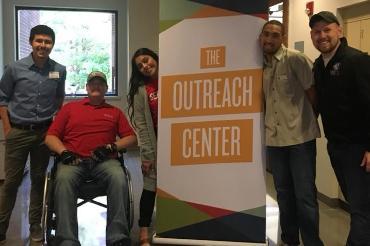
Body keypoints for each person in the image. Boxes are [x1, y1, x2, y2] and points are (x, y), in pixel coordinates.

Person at [45, 71, 137, 246]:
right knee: (63, 179)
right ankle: (67, 240)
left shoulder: (115, 112)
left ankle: (117, 237)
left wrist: (111, 147)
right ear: (86, 88)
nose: (96, 86)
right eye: (92, 83)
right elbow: (50, 137)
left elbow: (131, 138)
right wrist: (64, 152)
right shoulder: (70, 109)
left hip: (104, 161)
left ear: (106, 89)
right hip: (73, 161)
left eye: (100, 84)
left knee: (118, 178)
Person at [0, 24, 66, 243]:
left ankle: (35, 226)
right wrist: (8, 130)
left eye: (47, 42)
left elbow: (59, 98)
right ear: (31, 42)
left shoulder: (59, 69)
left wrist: (54, 124)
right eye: (39, 41)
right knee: (11, 183)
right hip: (17, 132)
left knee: (39, 180)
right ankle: (1, 227)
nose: (43, 45)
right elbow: (2, 99)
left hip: (44, 134)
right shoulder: (14, 68)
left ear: (52, 45)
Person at [260, 20, 323, 246]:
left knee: (305, 196)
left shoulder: (295, 58)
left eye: (275, 35)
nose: (269, 39)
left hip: (300, 140)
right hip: (274, 140)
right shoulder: (260, 65)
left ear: (282, 37)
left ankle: (312, 242)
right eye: (266, 34)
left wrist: (305, 122)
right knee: (283, 194)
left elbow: (313, 94)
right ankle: (289, 240)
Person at [309, 11, 370, 245]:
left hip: (359, 149)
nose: (322, 35)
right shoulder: (319, 65)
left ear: (339, 31)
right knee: (358, 205)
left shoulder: (357, 60)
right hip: (336, 147)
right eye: (316, 32)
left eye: (327, 30)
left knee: (362, 211)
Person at [127, 48, 158, 246]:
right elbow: (142, 125)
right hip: (156, 144)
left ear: (155, 57)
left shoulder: (175, 77)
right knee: (150, 186)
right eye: (140, 66)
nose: (145, 66)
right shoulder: (141, 90)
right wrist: (147, 155)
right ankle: (144, 229)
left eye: (146, 60)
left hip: (180, 143)